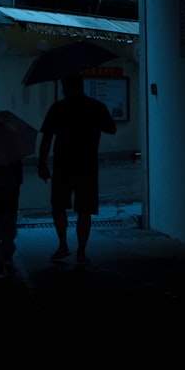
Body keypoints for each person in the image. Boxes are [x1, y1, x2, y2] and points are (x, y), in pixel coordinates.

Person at [37, 72, 117, 266]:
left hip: (63, 164)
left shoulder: (58, 108)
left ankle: (63, 245)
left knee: (58, 206)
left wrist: (42, 163)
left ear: (65, 89)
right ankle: (81, 252)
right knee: (84, 209)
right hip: (87, 165)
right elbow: (111, 129)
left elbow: (47, 138)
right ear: (82, 86)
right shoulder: (96, 107)